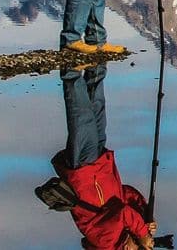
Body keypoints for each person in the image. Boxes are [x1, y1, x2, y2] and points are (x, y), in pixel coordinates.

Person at [55, 64, 158, 250]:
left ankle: (71, 62)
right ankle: (96, 53)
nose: (139, 246)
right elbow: (125, 194)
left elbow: (122, 212)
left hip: (85, 170)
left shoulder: (106, 243)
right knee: (96, 104)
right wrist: (143, 213)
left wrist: (142, 232)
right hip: (100, 165)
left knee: (81, 114)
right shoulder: (120, 235)